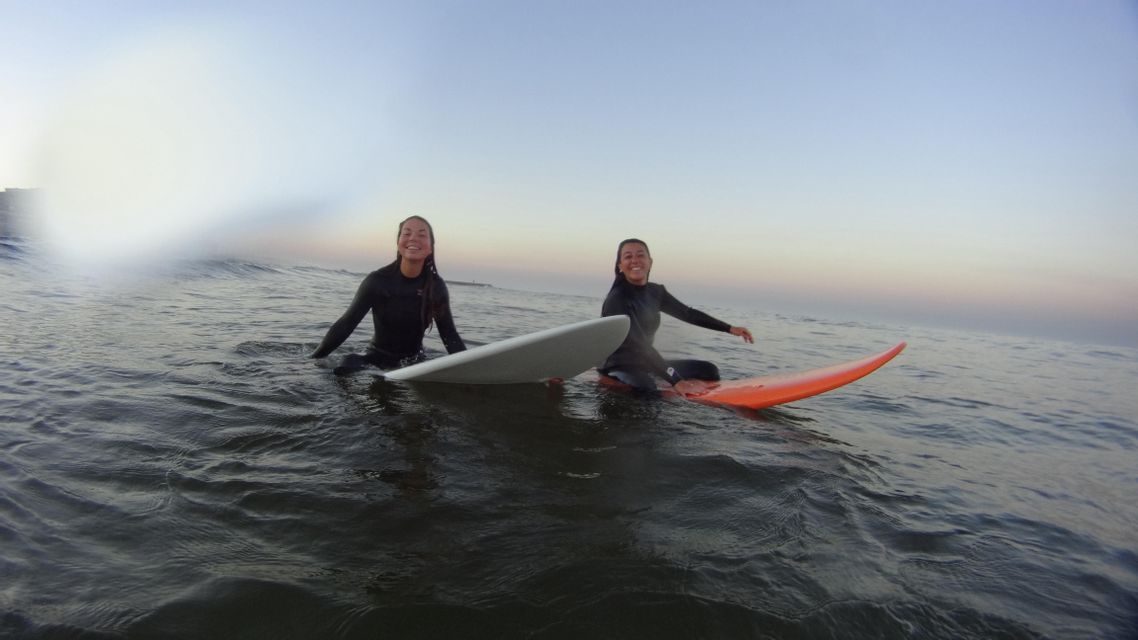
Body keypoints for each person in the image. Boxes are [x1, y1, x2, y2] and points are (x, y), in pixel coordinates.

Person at [311, 215, 466, 374]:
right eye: (406, 234)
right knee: (346, 364)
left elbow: (449, 335)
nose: (413, 238)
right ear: (398, 242)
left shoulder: (435, 287)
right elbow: (347, 323)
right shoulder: (377, 281)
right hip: (376, 358)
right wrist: (314, 358)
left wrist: (469, 367)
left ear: (430, 247)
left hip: (414, 362)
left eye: (422, 235)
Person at [599, 238, 753, 395]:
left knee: (709, 371)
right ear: (620, 266)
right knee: (647, 388)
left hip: (645, 362)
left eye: (640, 255)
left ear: (650, 262)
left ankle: (690, 397)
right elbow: (638, 345)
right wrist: (677, 381)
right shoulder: (617, 299)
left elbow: (688, 314)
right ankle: (611, 384)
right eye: (628, 256)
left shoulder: (656, 292)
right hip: (618, 366)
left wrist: (729, 328)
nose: (635, 260)